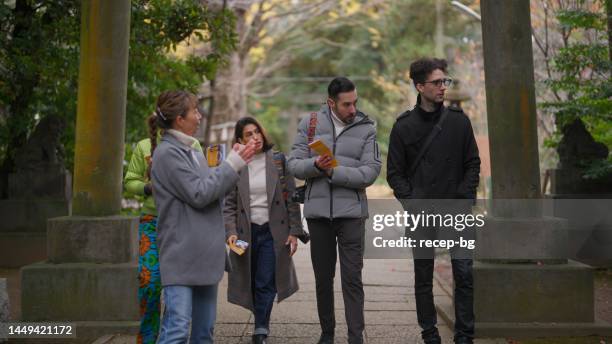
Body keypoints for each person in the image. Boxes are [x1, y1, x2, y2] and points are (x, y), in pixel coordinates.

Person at [150, 90, 257, 344]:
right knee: (176, 330)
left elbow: (212, 193)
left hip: (205, 255)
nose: (199, 116)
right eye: (195, 111)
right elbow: (199, 194)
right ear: (179, 119)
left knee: (204, 333)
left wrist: (232, 167)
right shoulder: (167, 154)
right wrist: (231, 165)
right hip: (181, 255)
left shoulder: (192, 151)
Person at [386, 58, 480, 344]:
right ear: (420, 86)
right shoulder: (403, 126)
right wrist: (413, 203)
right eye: (437, 82)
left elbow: (472, 163)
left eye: (445, 82)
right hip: (422, 212)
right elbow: (394, 173)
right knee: (423, 276)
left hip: (456, 209)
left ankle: (464, 335)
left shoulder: (458, 121)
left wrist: (464, 197)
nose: (442, 87)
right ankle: (430, 332)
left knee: (464, 273)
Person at [288, 77, 381, 344]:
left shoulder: (367, 128)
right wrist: (315, 165)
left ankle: (355, 337)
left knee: (352, 278)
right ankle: (327, 334)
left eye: (355, 103)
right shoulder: (311, 123)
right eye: (346, 104)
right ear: (331, 103)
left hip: (351, 214)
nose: (353, 109)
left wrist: (332, 172)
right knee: (323, 279)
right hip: (318, 215)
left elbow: (370, 172)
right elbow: (293, 164)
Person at [224, 116, 303, 344]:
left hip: (272, 232)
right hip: (245, 232)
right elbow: (228, 204)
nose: (255, 137)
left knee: (265, 281)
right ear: (240, 139)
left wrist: (294, 232)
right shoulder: (236, 165)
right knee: (249, 280)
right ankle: (260, 321)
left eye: (257, 132)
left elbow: (291, 199)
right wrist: (230, 232)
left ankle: (260, 329)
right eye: (248, 134)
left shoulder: (278, 161)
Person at [124, 115, 203, 344]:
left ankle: (171, 337)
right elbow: (129, 182)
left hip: (182, 223)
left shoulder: (193, 145)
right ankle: (148, 338)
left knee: (177, 288)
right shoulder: (144, 146)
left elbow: (201, 181)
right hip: (152, 222)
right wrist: (148, 187)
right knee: (149, 284)